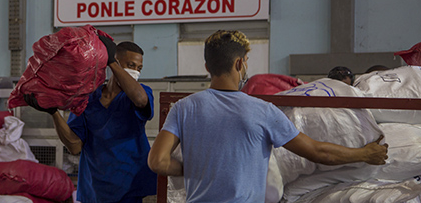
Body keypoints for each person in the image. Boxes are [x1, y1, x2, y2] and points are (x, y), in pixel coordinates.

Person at [148, 30, 389, 203]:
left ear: (207, 67)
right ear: (240, 63)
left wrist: (195, 167)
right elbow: (317, 152)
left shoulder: (183, 108)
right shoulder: (262, 110)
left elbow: (157, 162)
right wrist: (365, 153)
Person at [25, 37, 157, 203]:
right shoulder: (87, 100)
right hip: (95, 188)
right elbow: (74, 146)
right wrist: (53, 113)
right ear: (114, 61)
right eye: (131, 65)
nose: (136, 72)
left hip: (131, 186)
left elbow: (140, 100)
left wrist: (112, 63)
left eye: (139, 68)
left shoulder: (141, 92)